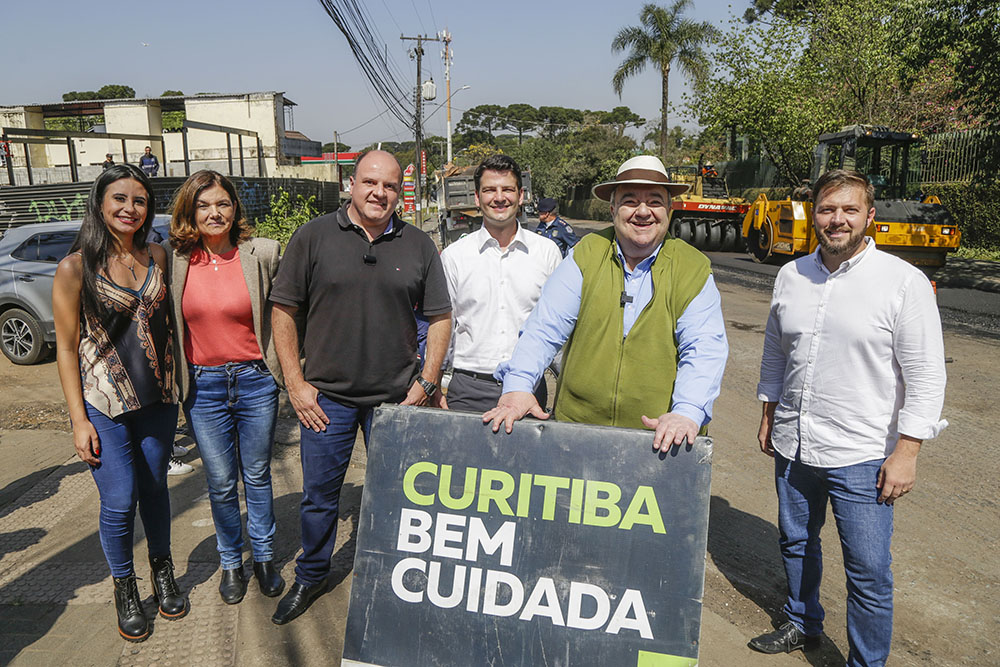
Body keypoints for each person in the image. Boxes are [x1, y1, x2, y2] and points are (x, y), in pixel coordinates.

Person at [749, 170, 947, 664]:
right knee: (796, 540)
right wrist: (769, 411)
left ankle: (866, 661)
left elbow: (925, 376)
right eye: (827, 209)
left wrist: (908, 451)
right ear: (813, 214)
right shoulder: (792, 275)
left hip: (862, 454)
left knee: (868, 571)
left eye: (849, 210)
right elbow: (777, 352)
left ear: (870, 217)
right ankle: (802, 621)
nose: (837, 220)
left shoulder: (903, 283)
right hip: (796, 443)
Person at [268, 149, 451, 624]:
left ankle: (395, 579)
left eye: (390, 186)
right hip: (326, 399)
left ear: (400, 192)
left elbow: (440, 317)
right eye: (370, 182)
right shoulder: (312, 237)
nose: (379, 193)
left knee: (400, 495)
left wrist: (428, 381)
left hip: (397, 399)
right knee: (320, 497)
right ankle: (311, 575)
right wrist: (296, 384)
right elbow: (283, 311)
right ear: (351, 183)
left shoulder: (418, 245)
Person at [484, 155, 729, 451]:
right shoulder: (586, 254)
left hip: (660, 442)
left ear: (669, 209)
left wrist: (686, 411)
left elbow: (703, 348)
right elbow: (544, 330)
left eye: (654, 201)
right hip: (577, 436)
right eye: (629, 201)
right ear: (613, 208)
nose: (642, 212)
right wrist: (519, 387)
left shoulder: (692, 268)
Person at [51, 164, 188, 642]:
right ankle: (124, 586)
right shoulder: (74, 269)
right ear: (99, 203)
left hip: (158, 397)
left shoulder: (158, 254)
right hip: (102, 404)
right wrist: (77, 420)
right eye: (120, 199)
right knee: (118, 498)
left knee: (154, 489)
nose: (130, 208)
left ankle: (162, 571)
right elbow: (66, 348)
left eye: (140, 200)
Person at [164, 170, 285, 605]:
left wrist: (291, 371)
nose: (214, 213)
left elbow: (289, 317)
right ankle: (231, 561)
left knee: (256, 474)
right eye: (204, 205)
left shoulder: (264, 254)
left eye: (223, 204)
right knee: (218, 480)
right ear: (189, 212)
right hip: (203, 386)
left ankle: (265, 558)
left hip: (255, 382)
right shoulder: (173, 260)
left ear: (235, 209)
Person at [440, 155, 562, 412]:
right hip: (467, 389)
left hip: (527, 388)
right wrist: (436, 381)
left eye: (507, 189)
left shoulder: (547, 253)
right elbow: (444, 325)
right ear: (476, 198)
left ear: (520, 195)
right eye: (489, 190)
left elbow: (557, 325)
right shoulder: (455, 256)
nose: (499, 197)